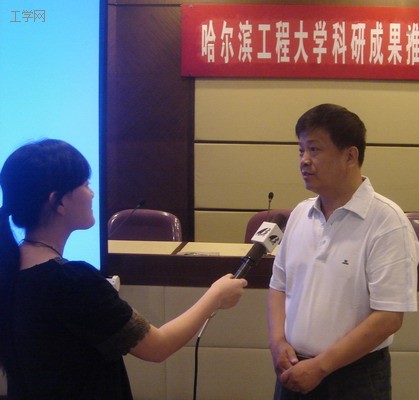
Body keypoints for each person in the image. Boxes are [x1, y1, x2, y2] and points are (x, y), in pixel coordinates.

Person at [0, 139, 247, 399]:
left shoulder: (10, 270)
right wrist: (215, 296)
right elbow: (157, 347)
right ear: (58, 202)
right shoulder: (72, 281)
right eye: (85, 184)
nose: (92, 193)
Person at [268, 104, 419, 399]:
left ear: (350, 156)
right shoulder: (299, 214)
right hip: (293, 368)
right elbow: (278, 286)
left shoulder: (387, 221)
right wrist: (277, 343)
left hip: (356, 377)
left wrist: (320, 367)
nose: (304, 161)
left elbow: (389, 316)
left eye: (314, 149)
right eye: (301, 150)